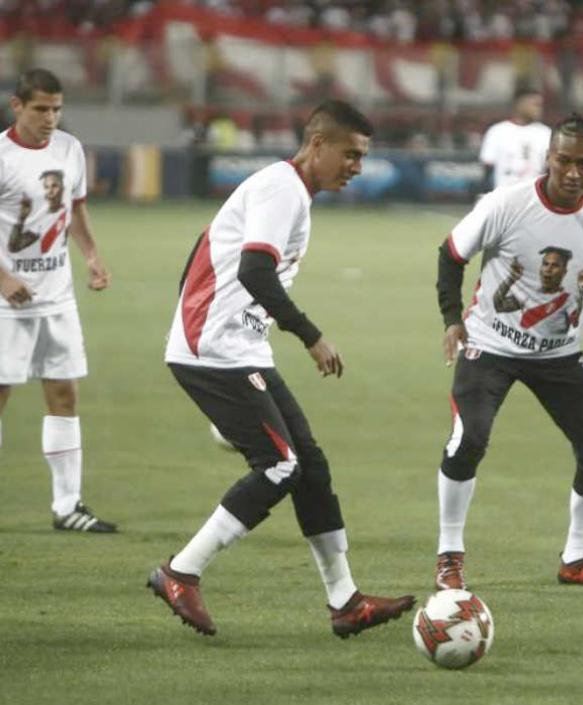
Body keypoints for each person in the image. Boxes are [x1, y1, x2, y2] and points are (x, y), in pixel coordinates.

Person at [147, 100, 415, 638]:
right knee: (278, 466)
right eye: (351, 154)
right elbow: (254, 271)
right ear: (318, 144)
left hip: (238, 349)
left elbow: (206, 246)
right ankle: (181, 572)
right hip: (216, 352)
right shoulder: (281, 189)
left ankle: (346, 602)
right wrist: (311, 336)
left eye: (363, 158)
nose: (357, 167)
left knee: (309, 466)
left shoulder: (290, 191)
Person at [433, 115, 583, 591]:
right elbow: (451, 254)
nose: (572, 172)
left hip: (560, 355)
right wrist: (451, 319)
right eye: (563, 160)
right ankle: (449, 556)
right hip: (489, 345)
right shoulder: (507, 204)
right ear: (548, 158)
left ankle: (577, 559)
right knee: (469, 442)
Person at [0, 68, 115, 535]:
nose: (50, 118)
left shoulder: (69, 149)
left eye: (57, 109)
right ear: (17, 106)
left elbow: (75, 208)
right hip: (3, 302)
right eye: (41, 108)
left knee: (64, 393)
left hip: (56, 295)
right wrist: (1, 277)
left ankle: (68, 505)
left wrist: (91, 256)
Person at [479, 85, 552, 191]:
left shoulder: (546, 133)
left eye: (540, 106)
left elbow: (550, 171)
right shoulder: (497, 131)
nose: (539, 109)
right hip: (503, 199)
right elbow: (487, 171)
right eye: (535, 105)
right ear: (520, 104)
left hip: (533, 199)